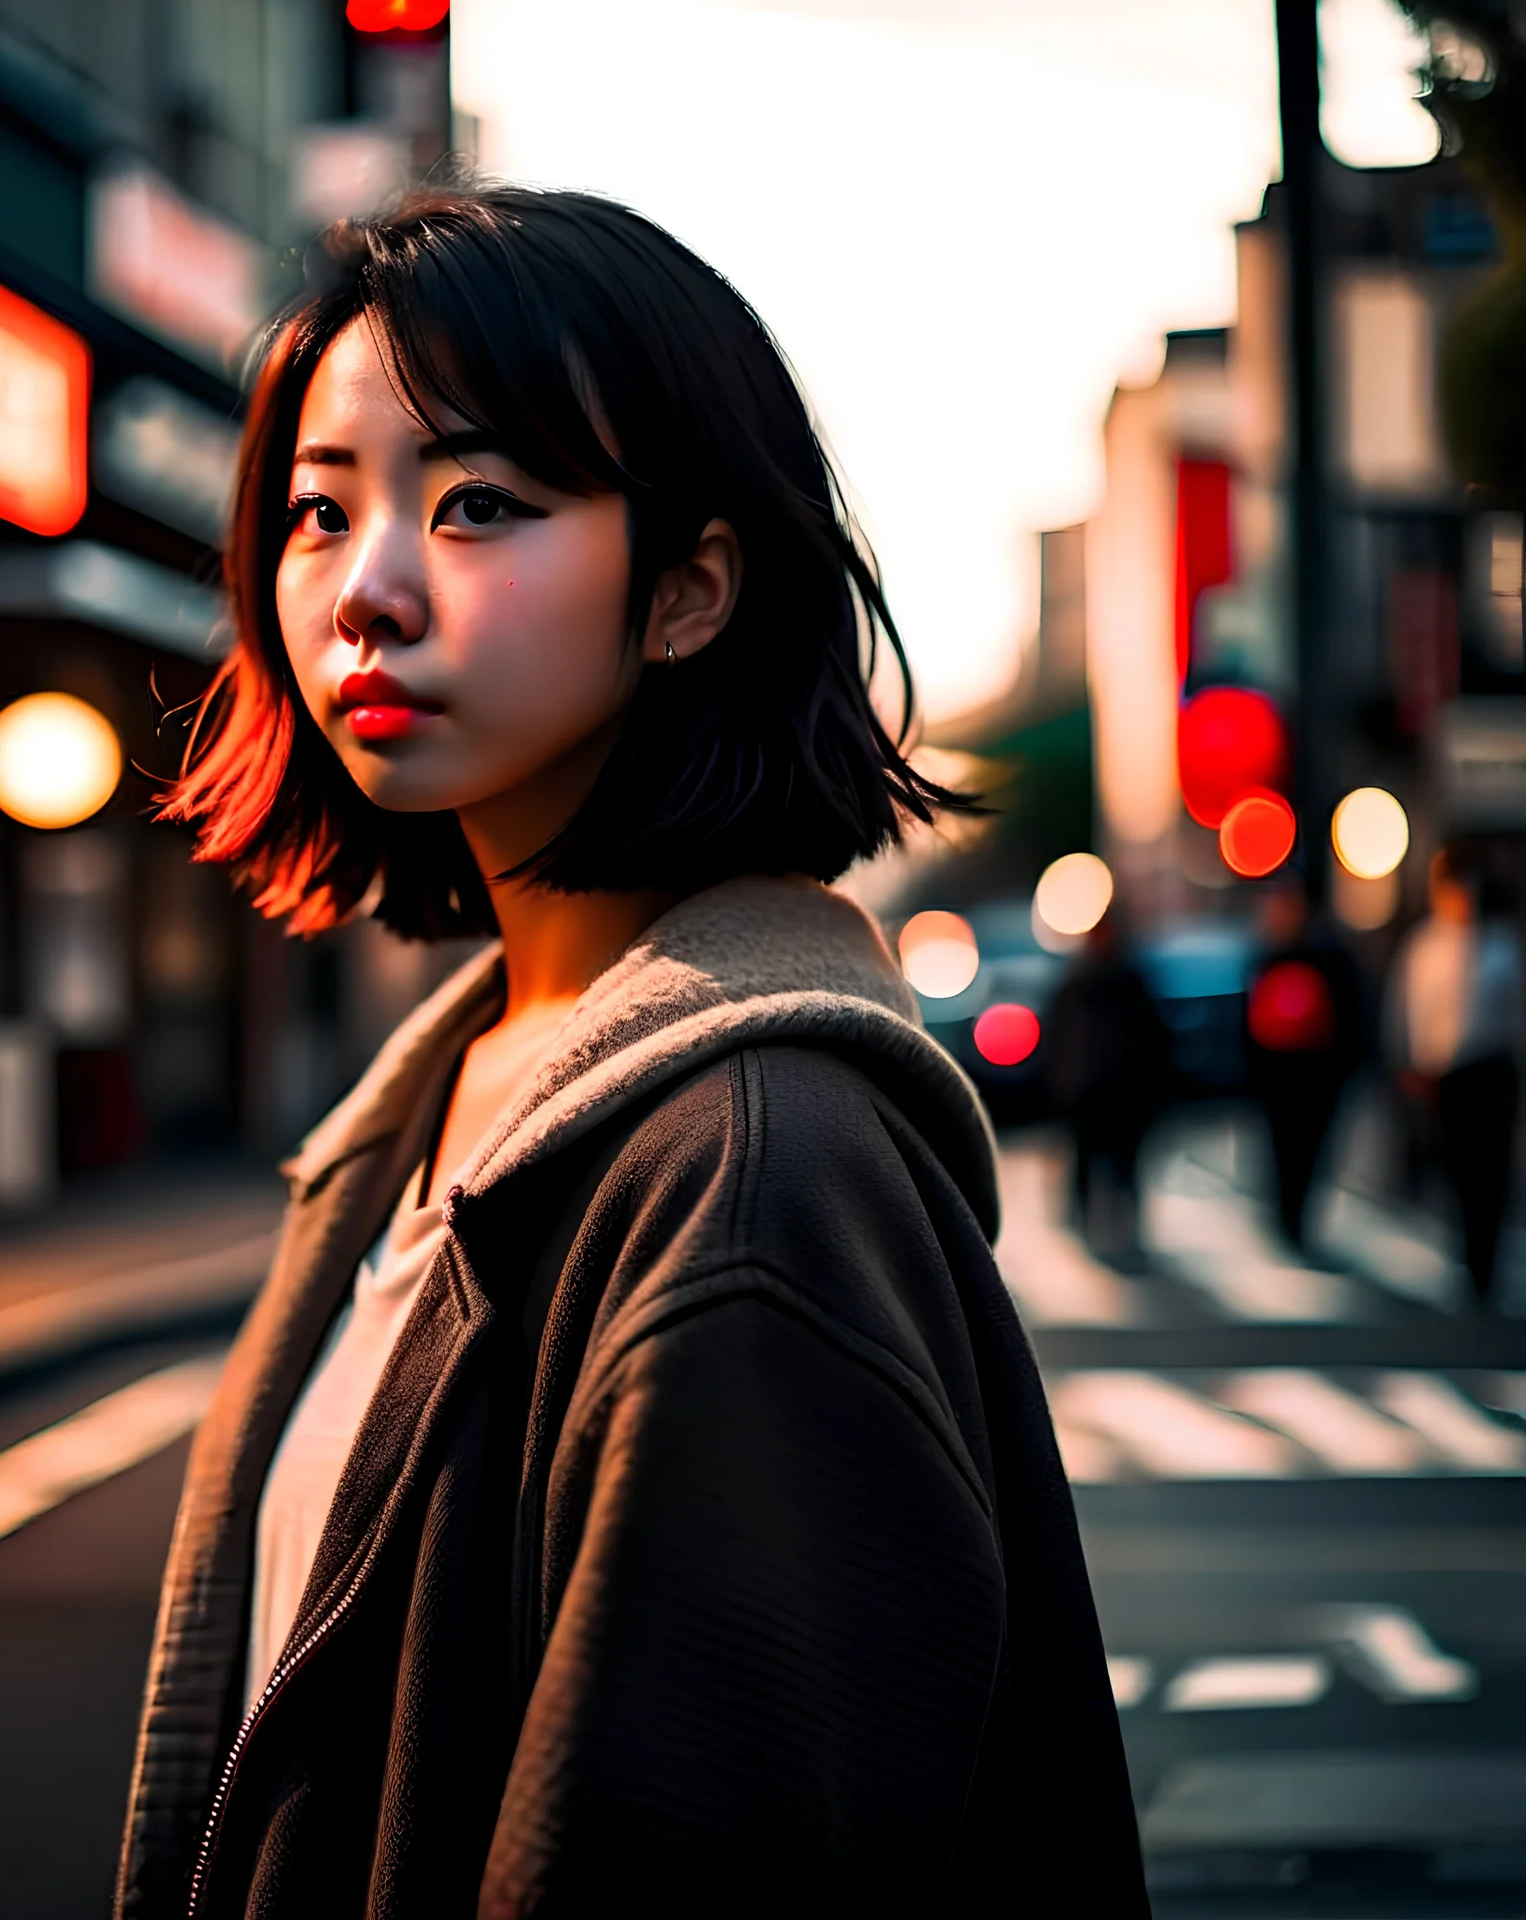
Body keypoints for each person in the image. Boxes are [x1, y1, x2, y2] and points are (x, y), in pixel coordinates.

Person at [119, 187, 1144, 1917]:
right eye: (315, 509)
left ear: (689, 591)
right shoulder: (446, 1105)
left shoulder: (749, 1174)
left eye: (480, 506)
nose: (364, 591)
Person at [1388, 845, 1523, 1305]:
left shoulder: (1502, 947)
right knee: (1456, 1161)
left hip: (1492, 1067)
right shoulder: (1426, 947)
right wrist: (1407, 1059)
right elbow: (1407, 1008)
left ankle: (1485, 1259)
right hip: (1443, 1072)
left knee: (1491, 1165)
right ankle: (1466, 1245)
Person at [1244, 872, 1368, 1250]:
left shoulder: (1329, 957)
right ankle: (1285, 1216)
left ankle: (1299, 1218)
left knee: (1310, 1150)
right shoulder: (1266, 956)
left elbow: (1351, 1017)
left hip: (1317, 1077)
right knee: (1280, 1149)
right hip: (1277, 1077)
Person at [1040, 906, 1171, 1259]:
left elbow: (1153, 1039)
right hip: (1089, 1091)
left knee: (1124, 1163)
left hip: (1122, 1090)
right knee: (1088, 1160)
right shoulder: (1078, 982)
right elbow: (1060, 1040)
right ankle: (1088, 1223)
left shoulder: (1127, 980)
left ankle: (1121, 1226)